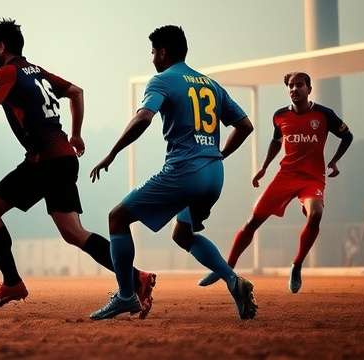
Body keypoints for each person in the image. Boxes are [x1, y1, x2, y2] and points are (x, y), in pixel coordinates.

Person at [0, 19, 156, 313]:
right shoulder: (37, 71)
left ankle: (12, 283)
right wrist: (75, 133)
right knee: (74, 232)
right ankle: (137, 278)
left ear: (1, 46)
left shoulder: (7, 71)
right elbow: (77, 91)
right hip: (64, 160)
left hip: (44, 162)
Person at [88, 25, 257, 320]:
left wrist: (112, 153)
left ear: (163, 52)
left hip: (184, 172)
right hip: (214, 174)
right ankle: (233, 280)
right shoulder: (211, 84)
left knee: (117, 217)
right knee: (183, 233)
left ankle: (126, 296)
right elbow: (245, 126)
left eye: (153, 52)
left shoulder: (162, 80)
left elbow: (143, 118)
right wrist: (217, 156)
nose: (152, 58)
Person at [199, 71, 353, 293]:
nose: (294, 89)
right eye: (291, 85)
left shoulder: (324, 114)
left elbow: (347, 136)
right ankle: (226, 267)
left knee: (316, 214)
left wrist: (335, 161)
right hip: (285, 176)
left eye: (299, 85)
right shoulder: (280, 116)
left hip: (312, 178)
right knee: (253, 220)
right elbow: (276, 142)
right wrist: (263, 168)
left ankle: (297, 265)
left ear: (309, 89)